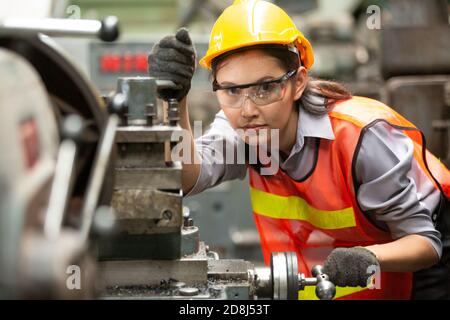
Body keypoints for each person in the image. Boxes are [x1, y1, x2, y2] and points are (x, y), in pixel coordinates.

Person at [148, 0, 450, 299]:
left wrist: (367, 256)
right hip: (331, 279)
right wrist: (174, 99)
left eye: (266, 87)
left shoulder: (360, 138)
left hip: (423, 266)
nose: (248, 108)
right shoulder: (243, 130)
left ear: (299, 83)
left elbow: (425, 243)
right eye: (232, 90)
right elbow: (187, 178)